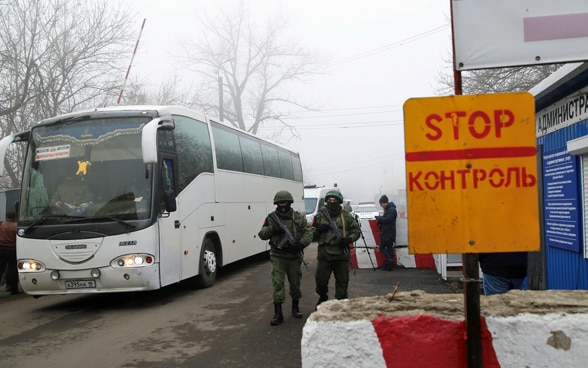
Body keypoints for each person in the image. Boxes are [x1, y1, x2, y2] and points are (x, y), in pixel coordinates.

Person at [258, 190, 313, 326]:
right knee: (278, 283)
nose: (282, 206)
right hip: (278, 256)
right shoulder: (271, 218)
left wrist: (301, 244)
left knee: (295, 283)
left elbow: (308, 231)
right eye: (280, 203)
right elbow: (262, 234)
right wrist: (273, 230)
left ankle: (295, 307)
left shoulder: (298, 217)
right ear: (276, 204)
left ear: (290, 203)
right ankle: (278, 313)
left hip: (294, 256)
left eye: (285, 203)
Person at [312, 190, 360, 309]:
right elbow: (309, 234)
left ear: (339, 202)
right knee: (321, 281)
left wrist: (348, 239)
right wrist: (317, 231)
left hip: (341, 255)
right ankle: (323, 297)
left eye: (334, 200)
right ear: (326, 201)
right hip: (325, 255)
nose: (332, 202)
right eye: (329, 200)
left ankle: (341, 303)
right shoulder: (319, 216)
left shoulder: (346, 216)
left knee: (342, 282)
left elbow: (356, 231)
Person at [375, 195, 397, 271]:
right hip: (389, 233)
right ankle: (389, 265)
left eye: (381, 204)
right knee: (389, 249)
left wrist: (379, 218)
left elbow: (387, 219)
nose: (382, 206)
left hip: (387, 233)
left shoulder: (391, 210)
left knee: (382, 248)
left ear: (383, 203)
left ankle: (390, 260)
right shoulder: (390, 209)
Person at [0, 209, 19, 294]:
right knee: (13, 270)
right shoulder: (16, 226)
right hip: (12, 249)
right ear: (15, 216)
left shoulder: (2, 224)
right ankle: (13, 289)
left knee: (1, 269)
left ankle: (7, 287)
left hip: (1, 249)